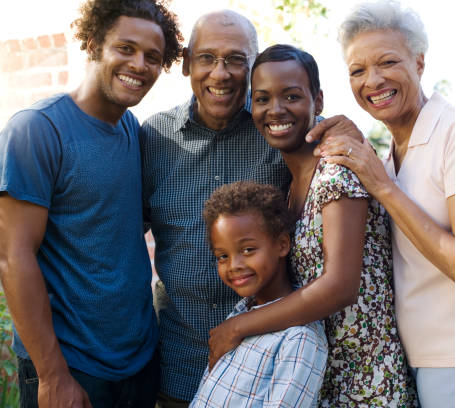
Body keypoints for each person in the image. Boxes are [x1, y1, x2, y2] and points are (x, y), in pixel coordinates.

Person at [308, 1, 455, 407]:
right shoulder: (391, 155)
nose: (373, 80)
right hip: (428, 362)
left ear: (419, 62)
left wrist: (383, 188)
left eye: (387, 62)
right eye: (357, 70)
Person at [207, 44, 419, 408]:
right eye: (262, 99)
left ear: (317, 101)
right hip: (319, 383)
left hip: (367, 387)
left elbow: (339, 287)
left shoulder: (336, 172)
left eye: (291, 96)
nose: (275, 110)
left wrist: (236, 328)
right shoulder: (290, 189)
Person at [0, 0, 183, 407]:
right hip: (71, 368)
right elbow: (14, 258)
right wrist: (52, 375)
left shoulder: (132, 129)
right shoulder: (37, 130)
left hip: (138, 363)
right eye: (125, 48)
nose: (139, 64)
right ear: (94, 43)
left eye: (153, 57)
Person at [139, 10, 291, 406]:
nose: (220, 73)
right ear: (187, 63)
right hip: (179, 368)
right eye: (207, 58)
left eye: (236, 59)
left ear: (253, 67)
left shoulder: (280, 130)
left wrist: (345, 131)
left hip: (270, 372)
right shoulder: (152, 138)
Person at [189, 181, 327, 408]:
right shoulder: (240, 313)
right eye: (222, 256)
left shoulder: (299, 339)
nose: (234, 265)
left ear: (282, 245)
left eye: (248, 250)